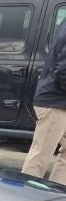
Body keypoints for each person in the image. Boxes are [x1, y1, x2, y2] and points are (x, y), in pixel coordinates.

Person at [22, 19, 66, 181]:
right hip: (54, 101)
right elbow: (63, 71)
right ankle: (27, 196)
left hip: (57, 100)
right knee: (41, 153)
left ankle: (57, 195)